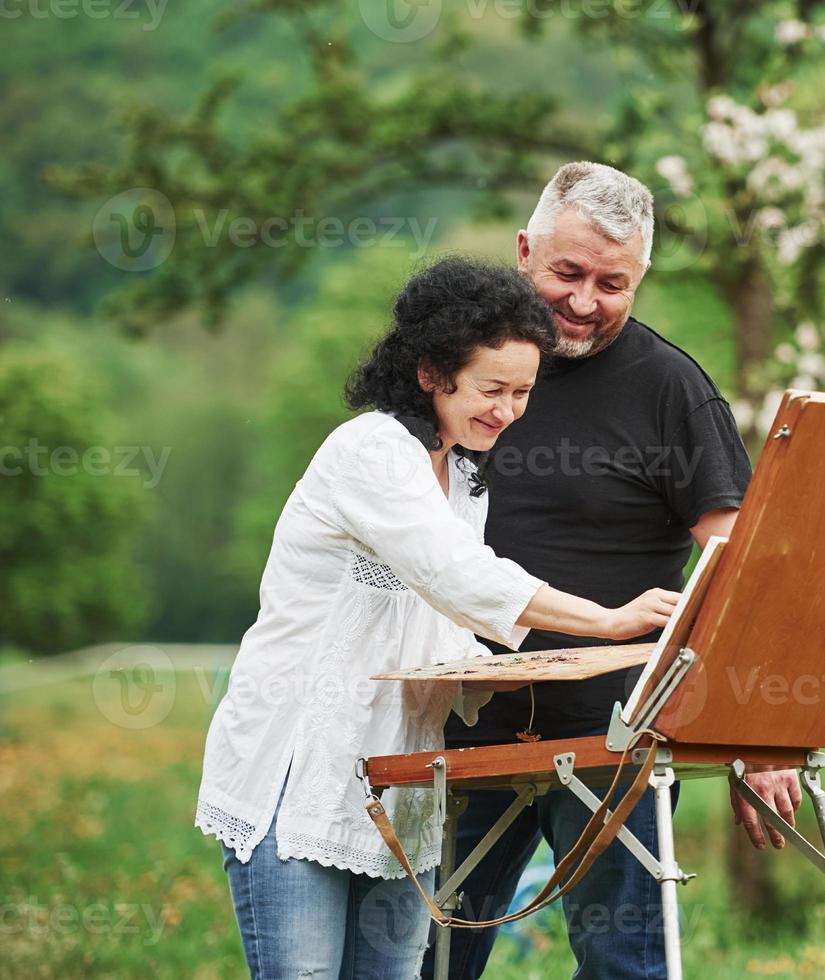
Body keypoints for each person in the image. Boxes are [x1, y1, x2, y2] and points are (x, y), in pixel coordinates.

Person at [194, 257, 680, 980]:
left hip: (398, 786)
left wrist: (513, 673)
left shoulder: (463, 475)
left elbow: (438, 628)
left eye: (522, 392)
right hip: (297, 775)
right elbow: (455, 575)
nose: (507, 411)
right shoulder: (370, 452)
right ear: (429, 372)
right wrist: (609, 623)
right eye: (492, 389)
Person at [427, 162, 804, 980]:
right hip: (449, 723)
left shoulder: (669, 389)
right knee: (422, 959)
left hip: (615, 735)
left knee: (622, 965)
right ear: (524, 250)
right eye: (566, 273)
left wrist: (755, 736)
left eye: (613, 282)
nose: (585, 301)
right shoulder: (455, 364)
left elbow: (738, 564)